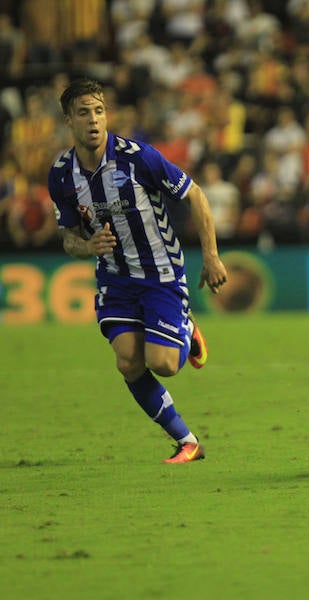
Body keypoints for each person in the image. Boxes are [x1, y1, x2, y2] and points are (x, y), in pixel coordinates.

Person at [48, 78, 228, 463]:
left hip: (160, 272)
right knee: (128, 361)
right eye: (84, 113)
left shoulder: (137, 157)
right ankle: (187, 441)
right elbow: (68, 238)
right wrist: (87, 246)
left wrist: (211, 256)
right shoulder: (62, 174)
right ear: (69, 121)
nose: (94, 120)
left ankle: (186, 326)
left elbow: (194, 193)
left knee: (163, 364)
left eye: (99, 111)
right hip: (115, 278)